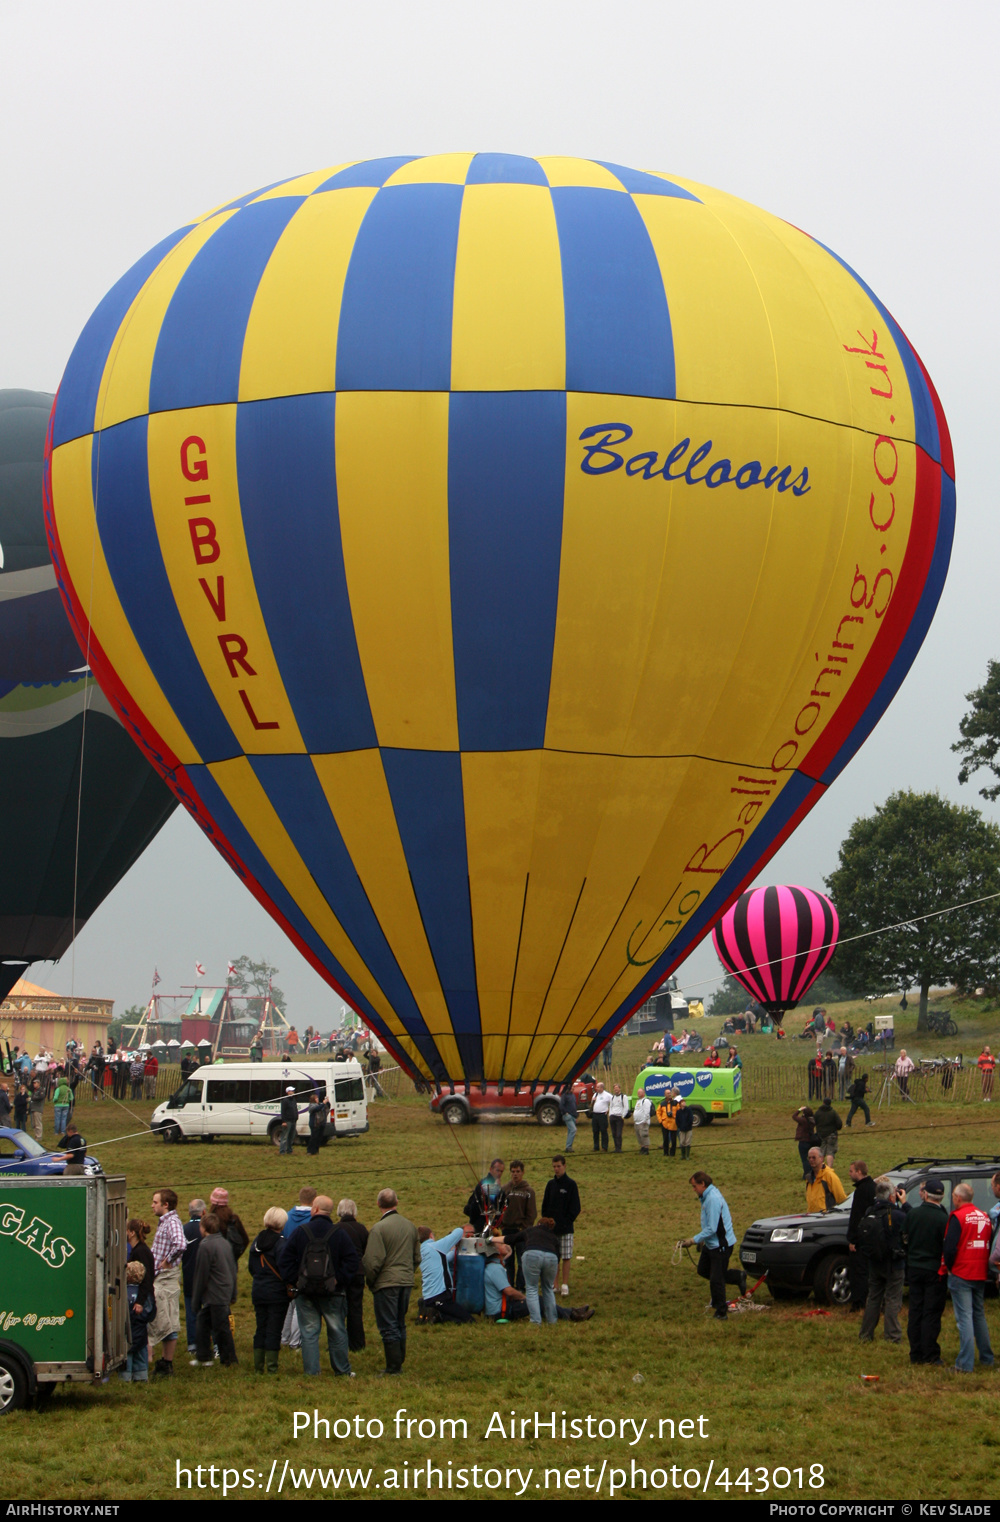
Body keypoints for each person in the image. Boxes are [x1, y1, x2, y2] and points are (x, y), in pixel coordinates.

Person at [280, 1194, 359, 1377]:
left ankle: (312, 1372)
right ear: (330, 1212)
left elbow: (285, 1260)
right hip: (333, 1292)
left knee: (308, 1333)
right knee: (337, 1331)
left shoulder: (301, 1231)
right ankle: (342, 1370)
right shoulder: (339, 1233)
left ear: (314, 1209)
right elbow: (352, 1261)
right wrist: (339, 1280)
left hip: (305, 1291)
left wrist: (296, 1280)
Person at [363, 1188, 420, 1375]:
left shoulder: (378, 1229)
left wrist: (371, 1281)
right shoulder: (410, 1226)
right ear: (397, 1202)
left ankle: (394, 1367)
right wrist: (407, 1273)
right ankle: (398, 1361)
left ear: (379, 1204)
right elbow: (417, 1257)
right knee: (400, 1322)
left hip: (386, 1284)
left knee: (388, 1326)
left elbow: (373, 1262)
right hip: (405, 1281)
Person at [943, 1181, 995, 1373]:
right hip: (980, 1271)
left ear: (957, 1198)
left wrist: (950, 1267)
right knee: (978, 1315)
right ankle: (987, 1357)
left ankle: (965, 1364)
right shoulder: (984, 1216)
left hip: (962, 1271)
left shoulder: (958, 1217)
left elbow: (949, 1247)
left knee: (964, 1317)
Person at [680, 1172, 742, 1320]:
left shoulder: (712, 1199)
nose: (693, 1189)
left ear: (703, 1184)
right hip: (712, 1243)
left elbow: (712, 1228)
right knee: (703, 1270)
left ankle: (721, 1312)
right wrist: (703, 1240)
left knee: (716, 1280)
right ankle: (737, 1277)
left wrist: (693, 1240)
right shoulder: (707, 1196)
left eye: (695, 1186)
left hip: (721, 1245)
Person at [857, 1178, 908, 1344]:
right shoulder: (898, 1215)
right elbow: (909, 1228)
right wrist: (904, 1203)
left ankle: (866, 1334)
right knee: (893, 1299)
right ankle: (892, 1336)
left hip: (874, 1261)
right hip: (894, 1263)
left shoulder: (869, 1212)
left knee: (873, 1298)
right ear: (892, 1197)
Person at [903, 1179, 949, 1365]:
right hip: (935, 1270)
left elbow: (903, 1238)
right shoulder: (944, 1219)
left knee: (915, 1310)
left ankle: (915, 1352)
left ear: (925, 1194)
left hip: (914, 1267)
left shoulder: (913, 1214)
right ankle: (930, 1353)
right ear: (942, 1196)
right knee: (931, 1312)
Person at [189, 1213, 238, 1367]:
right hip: (225, 1290)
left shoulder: (205, 1245)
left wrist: (195, 1300)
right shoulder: (224, 1243)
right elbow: (233, 1269)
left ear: (203, 1228)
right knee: (203, 1322)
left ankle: (229, 1359)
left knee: (221, 1328)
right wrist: (233, 1292)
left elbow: (201, 1275)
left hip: (215, 1293)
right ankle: (204, 1356)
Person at [148, 1188, 186, 1379]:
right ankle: (163, 1361)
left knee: (166, 1319)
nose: (152, 1205)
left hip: (166, 1279)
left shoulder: (172, 1222)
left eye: (155, 1202)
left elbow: (181, 1244)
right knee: (162, 1317)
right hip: (160, 1277)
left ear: (166, 1205)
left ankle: (166, 1363)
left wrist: (168, 1260)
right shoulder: (166, 1221)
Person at [248, 1206, 290, 1373]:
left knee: (261, 1327)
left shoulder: (256, 1241)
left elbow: (251, 1268)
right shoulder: (281, 1243)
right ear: (282, 1223)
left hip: (258, 1290)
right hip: (277, 1293)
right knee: (274, 1329)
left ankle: (258, 1366)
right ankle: (272, 1367)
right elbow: (285, 1269)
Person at [541, 1156, 581, 1298]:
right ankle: (555, 1284)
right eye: (554, 1166)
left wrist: (566, 1222)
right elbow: (544, 1205)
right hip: (551, 1230)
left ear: (564, 1166)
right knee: (553, 1257)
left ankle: (565, 1284)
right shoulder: (550, 1184)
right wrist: (546, 1221)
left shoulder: (571, 1185)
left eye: (558, 1166)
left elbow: (576, 1207)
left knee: (566, 1256)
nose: (556, 1169)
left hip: (566, 1229)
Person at [417, 1223, 474, 1323]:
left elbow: (445, 1259)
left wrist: (453, 1250)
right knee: (468, 1319)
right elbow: (459, 1232)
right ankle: (435, 1315)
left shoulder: (421, 1251)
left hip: (428, 1295)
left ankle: (430, 1311)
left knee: (451, 1317)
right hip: (440, 1295)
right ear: (431, 1235)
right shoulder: (436, 1246)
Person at [335, 1199, 369, 1351]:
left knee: (338, 1309)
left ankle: (338, 1342)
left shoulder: (334, 1229)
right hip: (357, 1273)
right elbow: (366, 1251)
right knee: (355, 1309)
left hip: (339, 1274)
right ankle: (357, 1343)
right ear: (354, 1211)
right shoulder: (361, 1229)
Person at [119, 1259, 157, 1383]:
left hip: (126, 1331)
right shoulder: (143, 1294)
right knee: (141, 1353)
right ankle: (141, 1376)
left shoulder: (123, 1292)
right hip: (141, 1331)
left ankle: (125, 1377)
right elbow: (151, 1311)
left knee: (127, 1354)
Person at [846, 1161, 876, 1312]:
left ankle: (858, 1302)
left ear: (859, 1172)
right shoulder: (872, 1187)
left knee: (858, 1272)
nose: (849, 1174)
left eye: (851, 1171)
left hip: (860, 1240)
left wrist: (852, 1239)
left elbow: (857, 1216)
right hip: (870, 1238)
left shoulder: (862, 1190)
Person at [501, 1160, 536, 1289]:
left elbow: (532, 1212)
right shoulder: (504, 1189)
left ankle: (521, 1286)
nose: (515, 1174)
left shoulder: (528, 1191)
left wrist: (525, 1227)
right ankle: (509, 1284)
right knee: (508, 1260)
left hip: (521, 1231)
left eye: (518, 1172)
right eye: (513, 1172)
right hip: (506, 1230)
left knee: (522, 1260)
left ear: (523, 1172)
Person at [182, 1199, 206, 1354]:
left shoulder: (184, 1229)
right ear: (204, 1212)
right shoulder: (207, 1229)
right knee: (209, 1310)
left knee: (191, 1312)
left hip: (189, 1276)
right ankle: (211, 1341)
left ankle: (193, 1344)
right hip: (207, 1278)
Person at [464, 1159, 505, 1234]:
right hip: (480, 1224)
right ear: (491, 1169)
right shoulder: (485, 1183)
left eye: (501, 1171)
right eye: (497, 1170)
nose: (499, 1173)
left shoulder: (497, 1185)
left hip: (490, 1224)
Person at [804, 1147, 847, 1214]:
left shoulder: (829, 1176)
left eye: (814, 1157)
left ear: (821, 1158)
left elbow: (841, 1199)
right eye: (809, 1158)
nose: (811, 1160)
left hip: (826, 1218)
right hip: (812, 1217)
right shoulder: (809, 1178)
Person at [126, 1218, 156, 1306]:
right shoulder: (137, 1249)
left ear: (132, 1233)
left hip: (143, 1301)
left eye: (126, 1231)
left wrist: (140, 1302)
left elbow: (147, 1278)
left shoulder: (140, 1251)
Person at [813, 1097, 843, 1167]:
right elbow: (839, 1124)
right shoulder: (833, 1112)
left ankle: (820, 1167)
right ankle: (829, 1168)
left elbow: (813, 1122)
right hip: (831, 1135)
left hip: (820, 1135)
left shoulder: (818, 1112)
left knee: (821, 1152)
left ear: (823, 1103)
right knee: (830, 1152)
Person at [792, 1107, 816, 1181]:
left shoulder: (803, 1120)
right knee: (810, 1158)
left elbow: (794, 1116)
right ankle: (811, 1173)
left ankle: (806, 1174)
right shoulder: (812, 1120)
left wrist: (799, 1110)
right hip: (810, 1141)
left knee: (805, 1159)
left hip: (803, 1141)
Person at [657, 1089, 681, 1158]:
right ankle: (665, 1152)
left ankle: (672, 1153)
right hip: (665, 1123)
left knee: (673, 1140)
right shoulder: (662, 1104)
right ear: (665, 1095)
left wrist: (676, 1118)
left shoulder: (675, 1103)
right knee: (665, 1139)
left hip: (673, 1123)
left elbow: (679, 1111)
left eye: (670, 1093)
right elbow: (658, 1112)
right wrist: (660, 1121)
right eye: (667, 1093)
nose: (669, 1094)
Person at [306, 1088, 329, 1157]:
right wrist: (323, 1103)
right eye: (316, 1098)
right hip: (314, 1124)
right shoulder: (311, 1106)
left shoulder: (319, 1104)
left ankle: (316, 1150)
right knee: (313, 1137)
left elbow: (326, 1108)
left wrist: (327, 1102)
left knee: (319, 1138)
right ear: (313, 1100)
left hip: (320, 1123)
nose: (317, 1099)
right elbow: (317, 1109)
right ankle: (310, 1151)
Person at [608, 1085, 630, 1152]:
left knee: (618, 1133)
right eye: (614, 1088)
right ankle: (616, 1148)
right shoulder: (612, 1097)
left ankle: (619, 1148)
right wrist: (610, 1115)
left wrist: (622, 1116)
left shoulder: (623, 1097)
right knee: (614, 1133)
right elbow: (610, 1106)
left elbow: (626, 1107)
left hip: (619, 1117)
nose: (616, 1090)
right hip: (612, 1117)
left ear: (620, 1089)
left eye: (617, 1088)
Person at [590, 1082, 611, 1152]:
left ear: (602, 1088)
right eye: (596, 1087)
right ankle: (596, 1146)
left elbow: (613, 1102)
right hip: (595, 1115)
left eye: (598, 1087)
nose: (597, 1088)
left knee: (603, 1131)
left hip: (602, 1115)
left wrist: (609, 1109)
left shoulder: (607, 1095)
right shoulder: (595, 1094)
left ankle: (604, 1147)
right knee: (595, 1131)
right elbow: (591, 1104)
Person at [52, 1072, 73, 1137]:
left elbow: (55, 1097)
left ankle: (56, 1132)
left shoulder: (58, 1089)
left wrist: (54, 1101)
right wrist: (67, 1101)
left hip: (58, 1105)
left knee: (57, 1118)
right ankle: (63, 1132)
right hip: (66, 1105)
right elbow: (71, 1097)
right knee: (64, 1119)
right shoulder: (68, 1089)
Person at [558, 1085, 577, 1153]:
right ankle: (568, 1147)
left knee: (570, 1131)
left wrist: (575, 1115)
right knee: (573, 1130)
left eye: (573, 1088)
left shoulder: (573, 1096)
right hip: (568, 1116)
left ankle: (568, 1146)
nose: (573, 1089)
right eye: (571, 1088)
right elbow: (561, 1105)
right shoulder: (565, 1096)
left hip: (573, 1116)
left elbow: (574, 1105)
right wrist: (565, 1113)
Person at [632, 1087, 652, 1154]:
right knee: (639, 1136)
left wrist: (645, 1120)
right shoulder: (638, 1101)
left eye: (640, 1092)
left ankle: (646, 1149)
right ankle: (642, 1147)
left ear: (644, 1093)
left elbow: (647, 1112)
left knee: (644, 1135)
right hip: (637, 1122)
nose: (638, 1093)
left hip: (643, 1122)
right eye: (638, 1092)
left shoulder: (645, 1101)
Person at [675, 1096, 695, 1161]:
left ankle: (687, 1156)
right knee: (682, 1141)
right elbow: (677, 1120)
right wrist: (680, 1126)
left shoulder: (689, 1110)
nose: (684, 1103)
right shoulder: (678, 1112)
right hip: (681, 1129)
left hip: (688, 1128)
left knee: (688, 1142)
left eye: (684, 1102)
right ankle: (683, 1155)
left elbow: (691, 1119)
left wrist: (687, 1125)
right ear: (680, 1104)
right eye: (683, 1102)